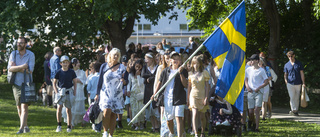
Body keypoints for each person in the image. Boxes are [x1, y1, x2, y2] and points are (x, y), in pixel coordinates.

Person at [153, 51, 188, 137]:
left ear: (180, 60)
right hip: (167, 98)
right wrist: (155, 94)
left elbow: (185, 84)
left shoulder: (183, 71)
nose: (175, 60)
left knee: (178, 117)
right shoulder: (165, 71)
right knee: (169, 120)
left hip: (179, 97)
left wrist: (180, 73)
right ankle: (172, 133)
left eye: (177, 59)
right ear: (170, 60)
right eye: (173, 59)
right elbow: (160, 83)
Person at [95, 48, 126, 137]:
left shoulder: (122, 67)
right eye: (114, 55)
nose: (116, 56)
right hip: (105, 92)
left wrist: (124, 81)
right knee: (106, 110)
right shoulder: (104, 66)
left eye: (117, 55)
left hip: (117, 94)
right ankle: (105, 132)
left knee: (113, 114)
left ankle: (111, 134)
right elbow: (100, 80)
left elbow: (126, 81)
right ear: (110, 56)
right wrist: (97, 93)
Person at [7, 36, 35, 134]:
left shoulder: (30, 55)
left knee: (24, 107)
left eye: (21, 43)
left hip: (26, 84)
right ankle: (25, 126)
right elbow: (10, 69)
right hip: (16, 83)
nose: (19, 44)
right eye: (18, 42)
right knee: (19, 107)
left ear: (26, 44)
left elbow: (30, 70)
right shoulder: (13, 54)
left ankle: (21, 129)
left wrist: (16, 67)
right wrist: (22, 67)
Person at [53, 55, 77, 133]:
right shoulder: (59, 72)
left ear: (69, 63)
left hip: (69, 91)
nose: (65, 64)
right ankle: (59, 125)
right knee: (59, 107)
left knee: (68, 109)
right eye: (63, 63)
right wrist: (56, 92)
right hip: (60, 92)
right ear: (61, 63)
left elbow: (75, 82)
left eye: (66, 62)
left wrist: (74, 92)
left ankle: (69, 126)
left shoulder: (71, 72)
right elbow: (54, 82)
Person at [245, 54, 268, 132]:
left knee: (257, 110)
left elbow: (266, 82)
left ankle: (257, 128)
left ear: (257, 61)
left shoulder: (261, 70)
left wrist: (259, 87)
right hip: (250, 92)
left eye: (253, 60)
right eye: (250, 60)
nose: (251, 61)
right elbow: (246, 79)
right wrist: (247, 87)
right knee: (250, 111)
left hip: (258, 92)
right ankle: (252, 122)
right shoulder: (248, 70)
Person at [187, 56, 210, 137]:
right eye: (194, 63)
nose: (195, 65)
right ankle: (196, 133)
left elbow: (207, 86)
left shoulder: (205, 73)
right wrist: (187, 99)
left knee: (202, 116)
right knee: (195, 113)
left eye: (197, 63)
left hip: (202, 95)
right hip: (193, 95)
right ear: (192, 65)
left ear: (200, 64)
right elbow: (189, 87)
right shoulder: (190, 74)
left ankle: (203, 132)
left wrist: (206, 97)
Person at [142, 52, 160, 132]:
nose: (146, 61)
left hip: (156, 89)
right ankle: (154, 127)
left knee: (156, 109)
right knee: (150, 110)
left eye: (147, 59)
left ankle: (159, 125)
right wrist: (152, 77)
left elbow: (158, 77)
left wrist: (152, 78)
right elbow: (143, 75)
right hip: (148, 90)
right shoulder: (145, 68)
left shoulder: (158, 67)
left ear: (151, 59)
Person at [284, 51, 305, 116]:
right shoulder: (286, 65)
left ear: (294, 55)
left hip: (298, 82)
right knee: (292, 97)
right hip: (290, 83)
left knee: (297, 97)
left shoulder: (298, 63)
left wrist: (303, 82)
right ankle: (293, 110)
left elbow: (302, 73)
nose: (290, 58)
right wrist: (286, 82)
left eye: (291, 56)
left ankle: (296, 109)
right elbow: (285, 74)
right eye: (289, 56)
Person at [127, 59, 145, 130]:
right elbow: (129, 83)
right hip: (133, 93)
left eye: (139, 67)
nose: (138, 68)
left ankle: (141, 123)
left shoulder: (143, 74)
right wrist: (128, 90)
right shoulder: (131, 74)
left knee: (140, 109)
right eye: (136, 66)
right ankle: (135, 123)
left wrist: (138, 76)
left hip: (140, 92)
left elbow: (141, 84)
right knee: (134, 109)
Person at [87, 62, 102, 132]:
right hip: (101, 96)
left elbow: (88, 88)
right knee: (100, 112)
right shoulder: (102, 77)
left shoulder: (91, 78)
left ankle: (94, 125)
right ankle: (99, 126)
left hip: (93, 96)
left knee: (93, 111)